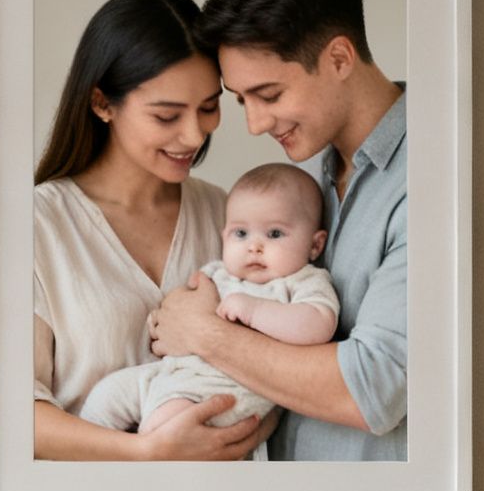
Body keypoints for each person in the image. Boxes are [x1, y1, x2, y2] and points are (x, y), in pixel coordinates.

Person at [152, 0, 407, 460]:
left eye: (269, 96)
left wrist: (205, 333)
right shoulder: (302, 174)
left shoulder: (427, 178)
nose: (254, 125)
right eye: (242, 100)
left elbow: (373, 387)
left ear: (338, 58)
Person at [31, 0, 273, 460]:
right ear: (102, 104)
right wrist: (148, 452)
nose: (194, 135)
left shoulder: (230, 218)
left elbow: (273, 362)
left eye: (208, 107)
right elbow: (12, 413)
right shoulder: (38, 225)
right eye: (167, 115)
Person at [80, 162, 339, 460]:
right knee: (105, 396)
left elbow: (320, 324)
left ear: (315, 245)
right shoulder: (218, 272)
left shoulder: (303, 280)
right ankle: (89, 474)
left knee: (165, 426)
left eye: (275, 234)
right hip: (166, 373)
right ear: (224, 234)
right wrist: (163, 321)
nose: (254, 246)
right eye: (241, 233)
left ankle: (143, 481)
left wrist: (255, 312)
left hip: (222, 392)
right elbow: (182, 308)